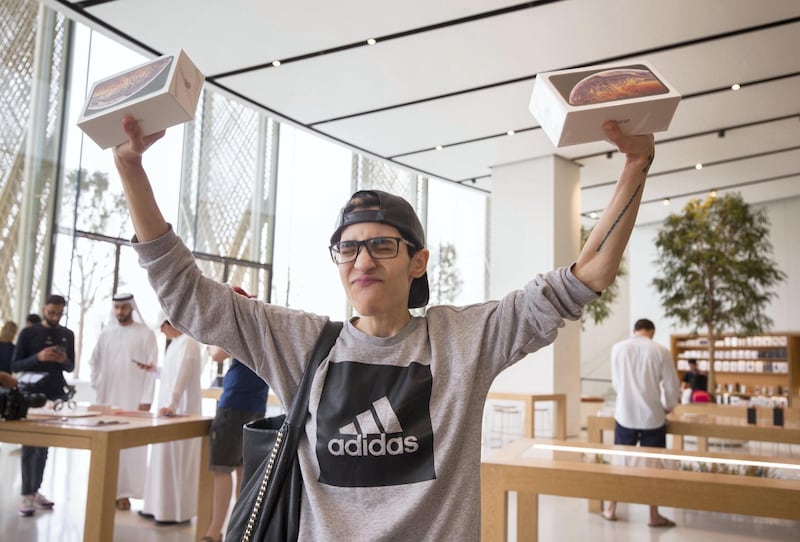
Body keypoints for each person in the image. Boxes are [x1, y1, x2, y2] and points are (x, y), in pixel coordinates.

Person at [113, 114, 654, 540]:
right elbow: (185, 296)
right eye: (348, 247)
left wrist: (634, 167)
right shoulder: (299, 343)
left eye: (382, 245)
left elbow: (584, 279)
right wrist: (132, 169)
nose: (362, 261)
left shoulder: (464, 340)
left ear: (418, 262)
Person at [202, 287, 270, 542]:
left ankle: (214, 531)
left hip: (233, 405)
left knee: (222, 469)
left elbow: (217, 353)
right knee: (243, 471)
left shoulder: (238, 323)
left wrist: (209, 339)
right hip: (256, 406)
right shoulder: (261, 324)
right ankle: (242, 529)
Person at [604, 318, 680, 527]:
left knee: (620, 461)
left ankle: (611, 508)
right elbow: (672, 384)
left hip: (625, 414)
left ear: (635, 330)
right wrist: (669, 406)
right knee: (654, 467)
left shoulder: (618, 348)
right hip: (652, 417)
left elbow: (616, 383)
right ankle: (653, 515)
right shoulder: (660, 350)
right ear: (651, 331)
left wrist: (627, 397)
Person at [89, 292, 159, 511]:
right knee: (105, 443)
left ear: (131, 308)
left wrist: (146, 399)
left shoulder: (145, 334)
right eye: (117, 308)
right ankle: (106, 489)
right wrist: (99, 386)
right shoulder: (106, 333)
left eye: (124, 308)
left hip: (133, 401)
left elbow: (151, 367)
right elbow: (94, 362)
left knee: (130, 449)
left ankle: (125, 493)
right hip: (107, 398)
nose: (120, 312)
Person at [11, 294, 75, 517]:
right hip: (30, 396)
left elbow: (70, 366)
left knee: (44, 447)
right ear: (44, 309)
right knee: (30, 445)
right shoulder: (28, 333)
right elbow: (15, 365)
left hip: (56, 396)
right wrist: (38, 357)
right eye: (51, 313)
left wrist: (62, 361)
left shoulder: (67, 334)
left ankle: (36, 490)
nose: (55, 316)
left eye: (59, 313)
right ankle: (26, 493)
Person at [140, 319, 203, 524]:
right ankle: (157, 507)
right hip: (168, 409)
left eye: (163, 326)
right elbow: (170, 375)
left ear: (173, 322)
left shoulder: (189, 343)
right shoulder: (174, 344)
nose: (161, 330)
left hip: (180, 411)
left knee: (178, 461)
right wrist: (154, 370)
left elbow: (182, 377)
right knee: (163, 459)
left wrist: (172, 405)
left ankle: (176, 513)